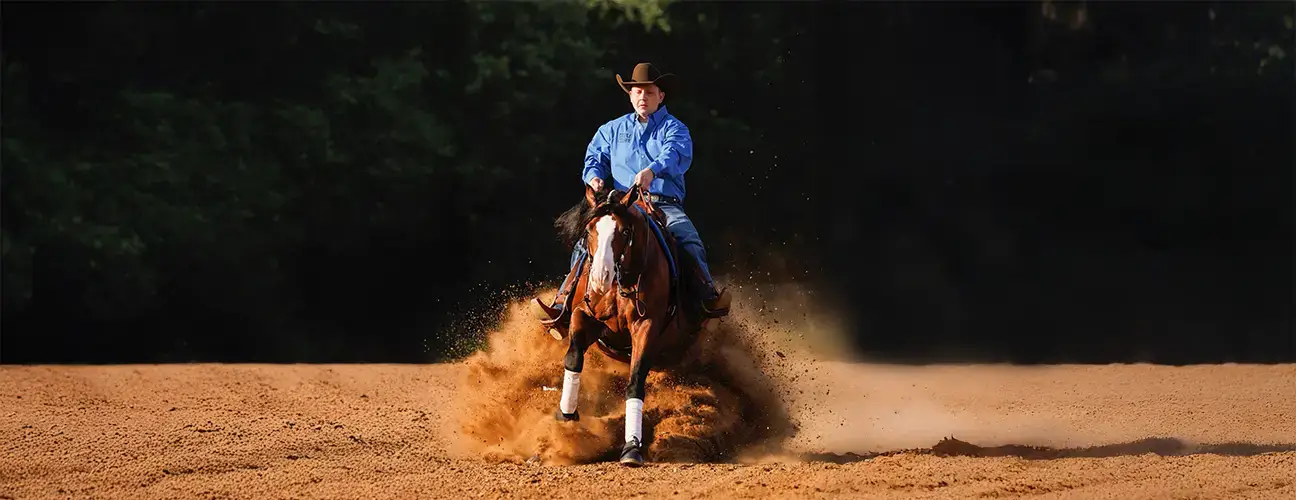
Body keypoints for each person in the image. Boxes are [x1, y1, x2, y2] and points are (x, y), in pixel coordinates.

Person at [535, 62, 731, 333]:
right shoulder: (611, 130)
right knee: (586, 241)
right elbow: (595, 158)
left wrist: (653, 171)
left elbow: (674, 153)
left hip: (662, 203)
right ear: (629, 95)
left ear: (661, 96)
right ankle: (564, 304)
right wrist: (594, 177)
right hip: (621, 204)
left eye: (649, 92)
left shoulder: (675, 129)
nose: (643, 97)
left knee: (687, 238)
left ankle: (707, 298)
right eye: (637, 92)